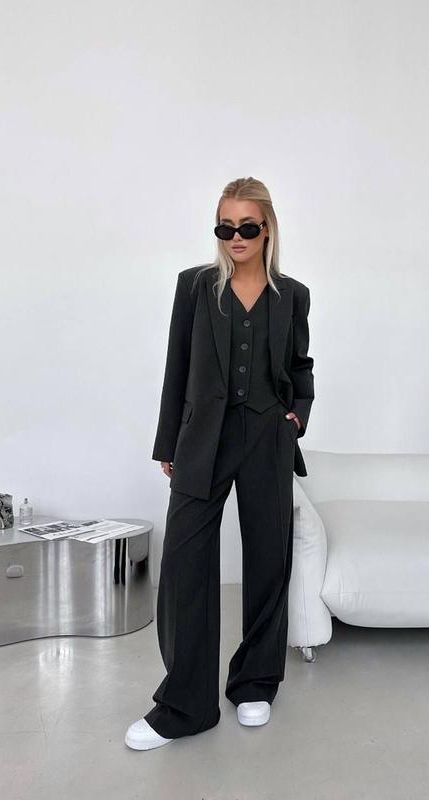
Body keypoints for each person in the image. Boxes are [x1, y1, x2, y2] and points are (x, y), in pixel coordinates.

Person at [125, 176, 315, 750]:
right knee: (185, 563)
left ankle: (255, 682)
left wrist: (296, 417)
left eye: (247, 227)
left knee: (269, 558)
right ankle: (184, 705)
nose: (236, 237)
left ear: (267, 229)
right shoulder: (194, 287)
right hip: (202, 437)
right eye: (225, 226)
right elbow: (176, 366)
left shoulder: (293, 295)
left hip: (267, 436)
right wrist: (168, 443)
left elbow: (301, 366)